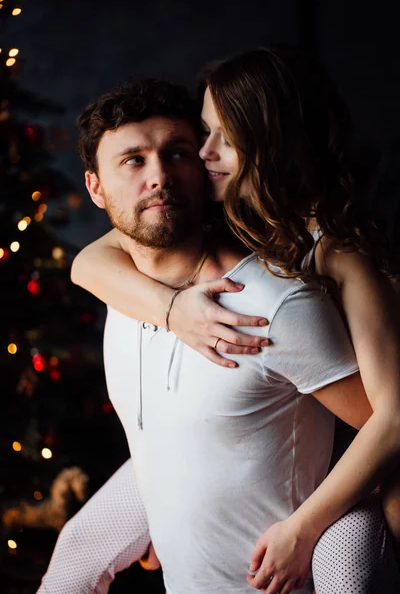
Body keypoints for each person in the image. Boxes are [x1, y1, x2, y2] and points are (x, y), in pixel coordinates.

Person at [38, 49, 400, 594]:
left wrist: (304, 526)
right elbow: (91, 260)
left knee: (343, 571)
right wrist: (171, 308)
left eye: (221, 139)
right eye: (203, 135)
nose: (202, 154)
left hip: (341, 466)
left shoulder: (336, 254)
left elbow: (389, 419)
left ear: (268, 145)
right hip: (234, 441)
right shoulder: (217, 209)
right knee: (75, 554)